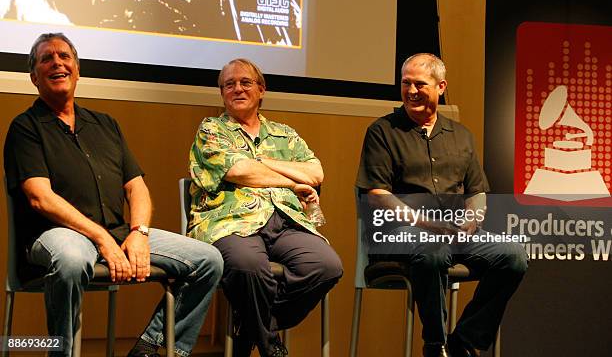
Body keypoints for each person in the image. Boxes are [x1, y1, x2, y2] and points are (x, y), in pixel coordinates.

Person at [3, 33, 224, 357]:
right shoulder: (25, 127)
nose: (57, 63)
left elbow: (136, 187)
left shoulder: (105, 124)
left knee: (208, 260)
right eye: (46, 59)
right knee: (72, 259)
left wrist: (139, 233)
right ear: (34, 77)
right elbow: (40, 198)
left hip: (120, 233)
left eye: (64, 56)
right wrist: (102, 239)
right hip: (56, 235)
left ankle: (150, 348)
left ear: (77, 70)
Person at [356, 53, 528, 357]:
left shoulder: (461, 136)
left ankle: (464, 340)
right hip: (401, 234)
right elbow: (376, 194)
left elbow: (477, 190)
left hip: (452, 233)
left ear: (441, 87)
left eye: (419, 84)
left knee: (513, 255)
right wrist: (427, 224)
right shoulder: (382, 131)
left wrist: (472, 218)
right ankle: (436, 345)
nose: (410, 91)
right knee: (431, 250)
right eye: (405, 83)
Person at [188, 58, 343, 357]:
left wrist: (264, 161)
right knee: (248, 266)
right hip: (230, 221)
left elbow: (315, 173)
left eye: (245, 82)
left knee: (326, 266)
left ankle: (251, 324)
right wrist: (289, 180)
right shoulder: (211, 130)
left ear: (261, 90)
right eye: (229, 84)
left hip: (286, 221)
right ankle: (270, 344)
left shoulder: (285, 134)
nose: (237, 89)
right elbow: (239, 171)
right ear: (222, 93)